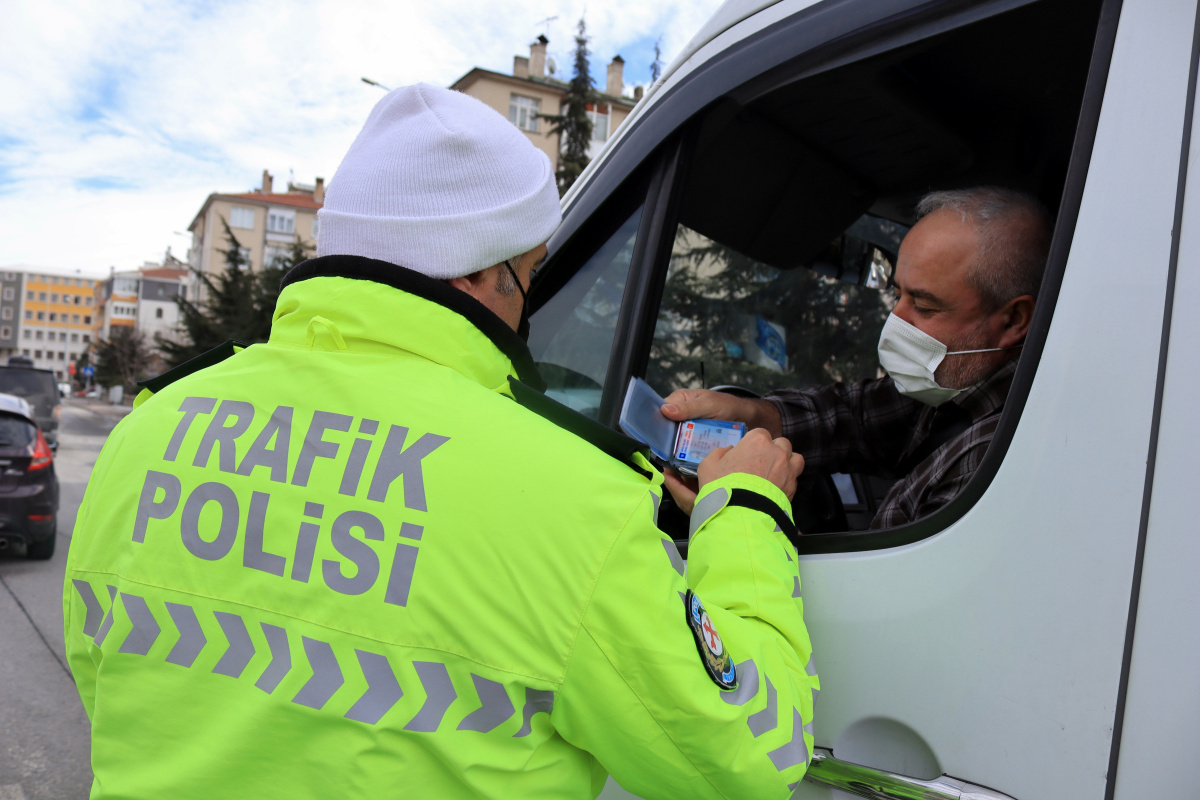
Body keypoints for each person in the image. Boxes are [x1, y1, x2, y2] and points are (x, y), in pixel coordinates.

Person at [63, 84, 818, 799]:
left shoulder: (153, 426)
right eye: (531, 276)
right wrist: (747, 516)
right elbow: (750, 756)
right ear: (485, 273)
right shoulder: (574, 497)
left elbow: (106, 682)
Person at [662, 187, 1052, 528]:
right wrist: (747, 415)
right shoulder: (952, 384)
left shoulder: (993, 461)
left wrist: (737, 516)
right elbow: (851, 417)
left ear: (1014, 319)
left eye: (925, 306)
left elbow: (887, 600)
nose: (895, 320)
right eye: (897, 294)